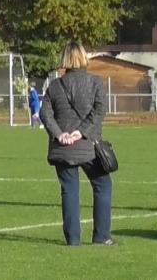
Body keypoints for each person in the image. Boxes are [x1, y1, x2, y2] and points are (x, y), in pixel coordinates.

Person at [40, 41, 113, 247]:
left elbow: (45, 113)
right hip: (89, 146)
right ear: (83, 57)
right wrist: (80, 132)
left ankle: (73, 239)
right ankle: (101, 236)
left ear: (64, 59)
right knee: (103, 185)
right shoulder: (95, 83)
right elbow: (99, 111)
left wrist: (59, 135)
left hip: (62, 148)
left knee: (69, 191)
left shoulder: (55, 86)